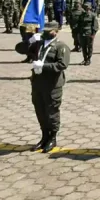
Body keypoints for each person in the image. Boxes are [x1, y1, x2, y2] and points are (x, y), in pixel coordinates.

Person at [27, 21, 70, 153]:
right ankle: (44, 136)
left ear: (56, 32)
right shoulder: (39, 44)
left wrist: (44, 66)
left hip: (52, 85)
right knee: (40, 111)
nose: (46, 33)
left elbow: (62, 65)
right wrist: (30, 41)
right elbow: (22, 50)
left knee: (51, 112)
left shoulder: (61, 46)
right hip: (38, 83)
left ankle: (52, 137)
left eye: (50, 31)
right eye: (45, 30)